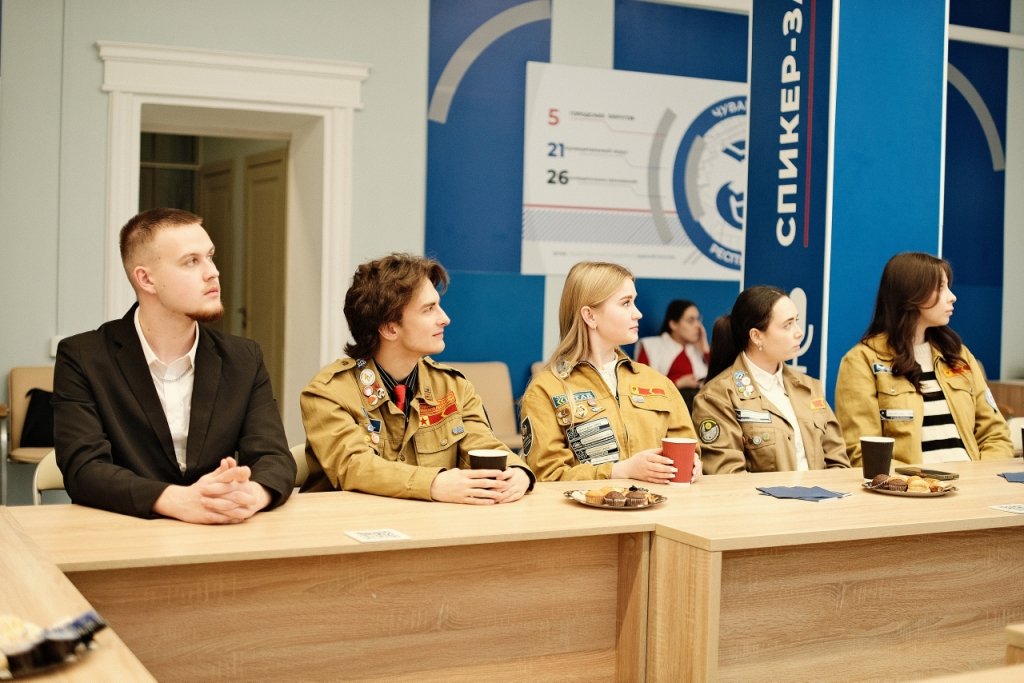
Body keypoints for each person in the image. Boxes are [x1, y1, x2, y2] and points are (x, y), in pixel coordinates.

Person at [53, 208, 296, 523]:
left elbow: (274, 457)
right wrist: (177, 500)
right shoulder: (83, 356)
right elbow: (84, 470)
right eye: (191, 261)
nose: (213, 272)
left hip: (219, 532)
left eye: (210, 257)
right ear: (146, 279)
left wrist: (250, 494)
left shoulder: (243, 358)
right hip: (123, 531)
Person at [300, 253, 535, 503]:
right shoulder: (329, 392)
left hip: (428, 522)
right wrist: (432, 484)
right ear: (390, 328)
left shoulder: (453, 387)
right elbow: (354, 467)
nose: (445, 319)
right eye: (429, 309)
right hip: (350, 522)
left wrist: (518, 472)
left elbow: (483, 445)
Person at [519, 261, 700, 483]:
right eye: (626, 303)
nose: (638, 314)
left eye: (634, 302)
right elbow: (547, 476)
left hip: (660, 504)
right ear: (590, 316)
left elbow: (689, 448)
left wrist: (694, 464)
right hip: (587, 507)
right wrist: (620, 471)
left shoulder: (658, 382)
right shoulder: (545, 390)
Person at [835, 252, 1012, 465]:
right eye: (941, 288)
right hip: (909, 485)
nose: (952, 297)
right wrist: (921, 481)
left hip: (973, 482)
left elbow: (996, 434)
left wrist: (981, 477)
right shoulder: (861, 361)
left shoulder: (959, 354)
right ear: (912, 295)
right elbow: (865, 454)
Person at [691, 286, 848, 474]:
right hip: (757, 495)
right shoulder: (717, 397)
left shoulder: (809, 387)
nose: (799, 332)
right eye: (787, 325)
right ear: (757, 336)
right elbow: (729, 478)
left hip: (823, 493)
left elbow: (839, 465)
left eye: (796, 321)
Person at [635, 299, 710, 410]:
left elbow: (719, 379)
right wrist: (678, 383)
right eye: (691, 321)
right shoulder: (651, 346)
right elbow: (641, 385)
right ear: (673, 324)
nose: (698, 326)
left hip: (700, 409)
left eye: (698, 320)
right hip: (665, 408)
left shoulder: (700, 350)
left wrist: (705, 348)